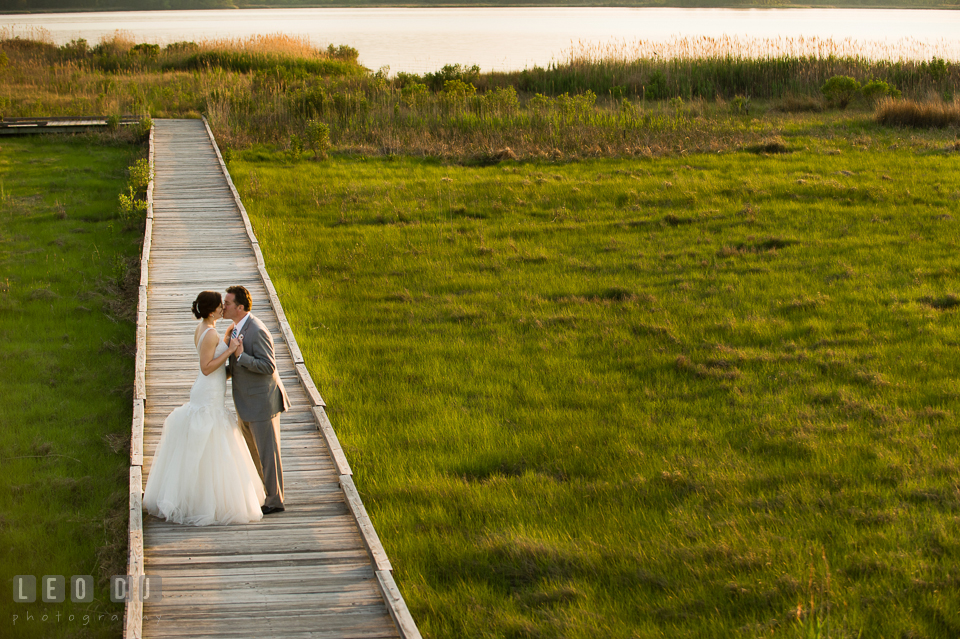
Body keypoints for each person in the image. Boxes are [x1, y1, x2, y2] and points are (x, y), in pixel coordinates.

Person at [143, 290, 265, 525]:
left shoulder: (206, 329)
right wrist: (230, 350)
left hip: (210, 390)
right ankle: (202, 501)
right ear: (211, 310)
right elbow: (206, 368)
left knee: (209, 441)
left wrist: (227, 337)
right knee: (211, 440)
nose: (223, 308)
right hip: (207, 393)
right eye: (220, 306)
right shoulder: (209, 334)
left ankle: (199, 495)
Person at [223, 285, 291, 515]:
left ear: (240, 307)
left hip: (262, 404)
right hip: (245, 403)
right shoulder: (234, 328)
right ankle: (264, 495)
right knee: (254, 453)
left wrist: (242, 356)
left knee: (268, 455)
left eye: (228, 303)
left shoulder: (257, 330)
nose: (224, 306)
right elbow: (233, 364)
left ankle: (275, 501)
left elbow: (268, 366)